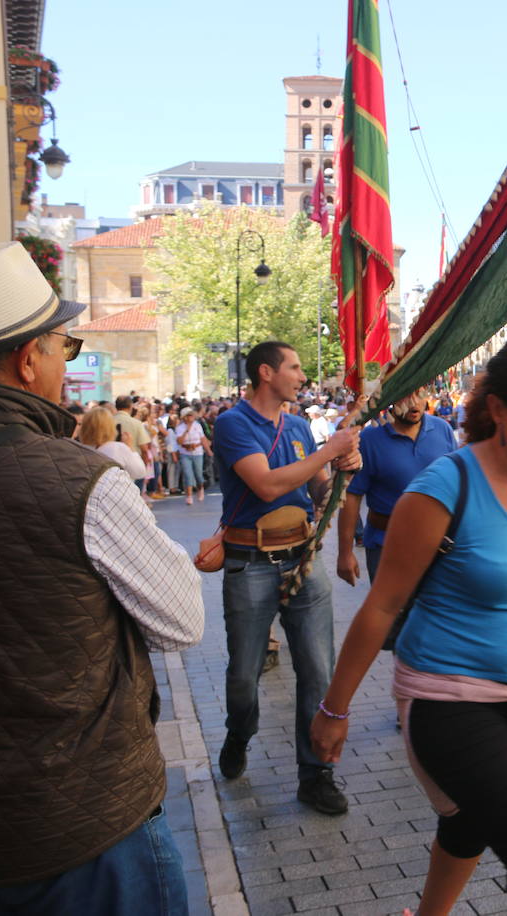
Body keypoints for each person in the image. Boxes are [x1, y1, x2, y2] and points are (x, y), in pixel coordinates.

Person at [0, 240, 203, 912]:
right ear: (27, 359)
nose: (67, 364)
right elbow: (183, 620)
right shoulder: (78, 480)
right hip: (85, 833)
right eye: (65, 347)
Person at [310, 337, 507, 916]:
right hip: (446, 698)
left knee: (466, 824)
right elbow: (382, 606)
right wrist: (335, 711)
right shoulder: (445, 486)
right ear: (498, 412)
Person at [212, 340, 362, 815]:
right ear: (265, 373)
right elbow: (267, 483)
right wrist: (330, 449)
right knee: (243, 676)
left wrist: (343, 467)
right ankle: (241, 730)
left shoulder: (297, 426)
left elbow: (314, 487)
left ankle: (315, 775)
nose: (302, 376)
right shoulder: (233, 423)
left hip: (302, 559)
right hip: (249, 564)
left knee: (318, 670)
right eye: (294, 367)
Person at [337, 388, 457, 587]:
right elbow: (351, 497)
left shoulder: (442, 429)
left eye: (419, 394)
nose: (414, 402)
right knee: (390, 616)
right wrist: (344, 553)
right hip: (387, 547)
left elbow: (457, 483)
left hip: (440, 546)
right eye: (407, 393)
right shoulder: (369, 438)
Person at [77, 406, 147, 481]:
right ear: (111, 426)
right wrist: (130, 448)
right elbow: (140, 472)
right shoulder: (117, 448)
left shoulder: (78, 448)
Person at [175, 406, 209, 505]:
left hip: (197, 452)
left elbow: (202, 438)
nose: (190, 417)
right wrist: (187, 430)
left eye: (191, 415)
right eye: (188, 415)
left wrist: (208, 449)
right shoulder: (180, 428)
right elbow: (179, 441)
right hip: (185, 452)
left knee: (198, 474)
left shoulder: (197, 426)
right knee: (187, 474)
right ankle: (189, 495)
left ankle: (200, 488)